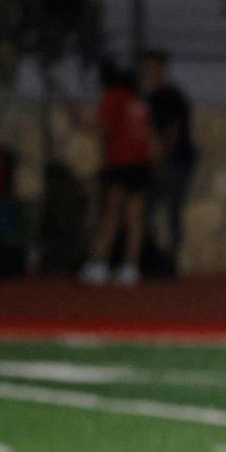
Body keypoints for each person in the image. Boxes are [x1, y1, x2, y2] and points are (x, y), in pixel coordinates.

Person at [78, 59, 154, 286]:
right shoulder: (138, 100)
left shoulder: (115, 96)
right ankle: (130, 267)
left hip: (120, 163)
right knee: (134, 218)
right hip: (140, 163)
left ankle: (99, 264)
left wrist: (82, 123)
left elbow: (104, 127)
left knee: (111, 215)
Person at [140, 49, 197, 266]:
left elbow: (173, 130)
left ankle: (171, 257)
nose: (147, 73)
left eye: (151, 68)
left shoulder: (170, 95)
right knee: (153, 207)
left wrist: (162, 156)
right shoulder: (152, 96)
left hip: (176, 161)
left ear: (162, 68)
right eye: (145, 68)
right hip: (163, 159)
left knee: (172, 208)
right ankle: (153, 253)